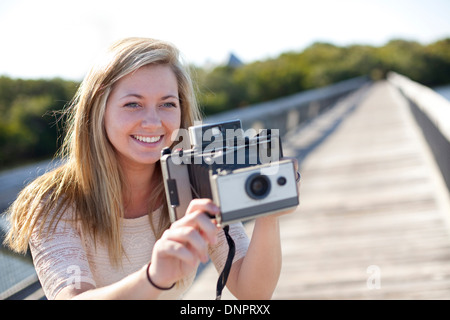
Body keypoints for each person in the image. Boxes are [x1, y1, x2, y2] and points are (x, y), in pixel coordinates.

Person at [4, 37, 297, 300]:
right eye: (133, 104)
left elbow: (254, 294)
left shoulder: (199, 178)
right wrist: (153, 277)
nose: (153, 122)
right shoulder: (54, 201)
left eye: (167, 104)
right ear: (99, 110)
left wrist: (267, 208)